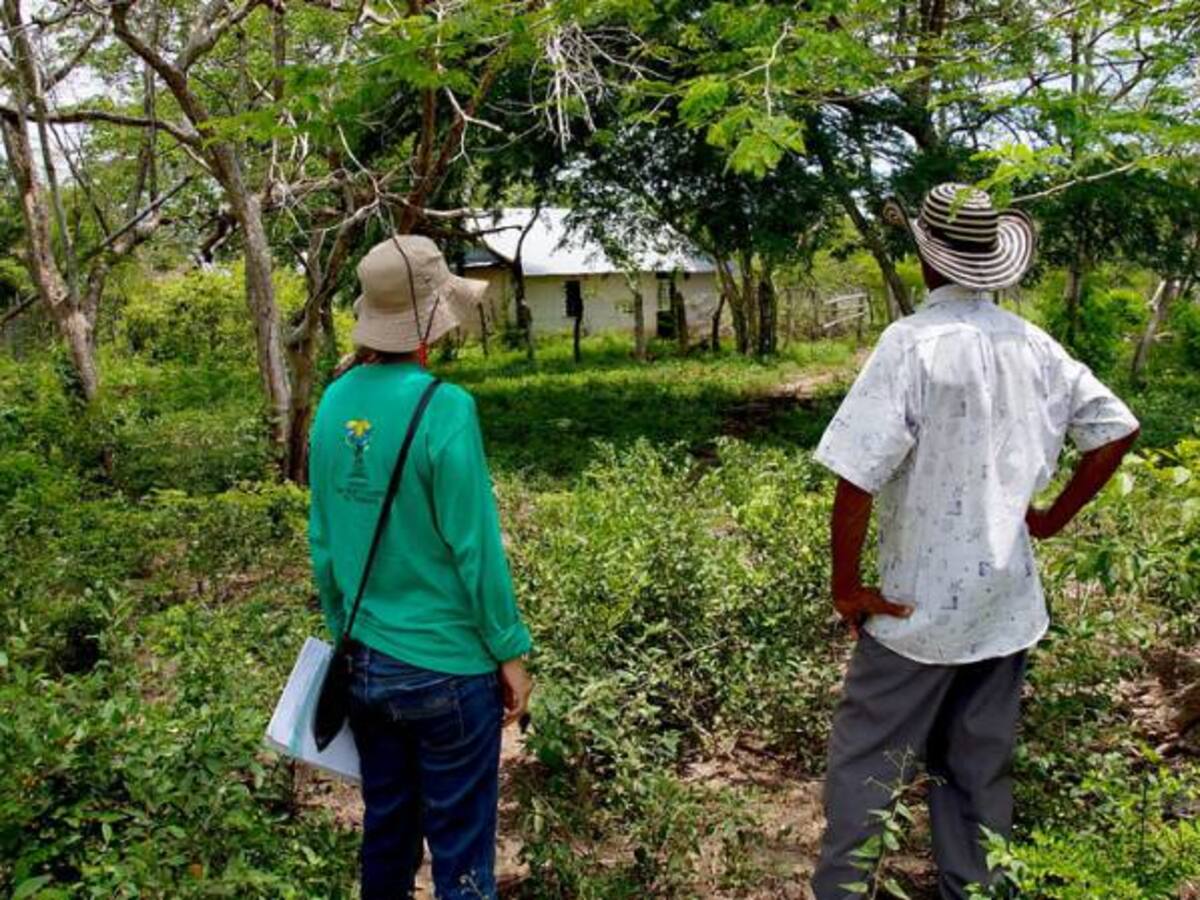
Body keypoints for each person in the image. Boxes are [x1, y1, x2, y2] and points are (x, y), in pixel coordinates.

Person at [809, 183, 1140, 899]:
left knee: (865, 768)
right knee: (977, 773)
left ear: (927, 259)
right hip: (1004, 607)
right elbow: (1116, 430)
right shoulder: (1033, 345)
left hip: (912, 614)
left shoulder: (911, 346)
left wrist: (847, 588)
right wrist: (1050, 518)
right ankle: (978, 890)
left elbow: (855, 480)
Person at [308, 234, 533, 900]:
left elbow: (324, 543)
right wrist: (510, 651)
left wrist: (344, 630)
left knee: (387, 836)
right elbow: (476, 548)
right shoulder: (447, 409)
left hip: (366, 666)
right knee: (461, 855)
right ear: (430, 320)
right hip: (448, 672)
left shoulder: (331, 403)